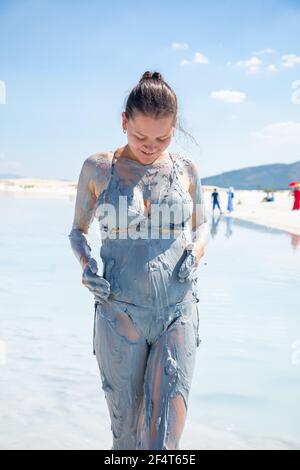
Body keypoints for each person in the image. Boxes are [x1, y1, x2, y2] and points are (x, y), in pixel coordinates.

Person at [68, 70, 210, 450]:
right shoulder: (99, 169)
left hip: (177, 312)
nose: (151, 146)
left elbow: (203, 227)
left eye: (162, 137)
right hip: (119, 314)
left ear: (174, 127)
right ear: (123, 122)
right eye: (140, 136)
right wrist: (86, 267)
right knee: (126, 439)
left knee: (164, 443)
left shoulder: (186, 170)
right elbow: (77, 232)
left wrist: (196, 253)